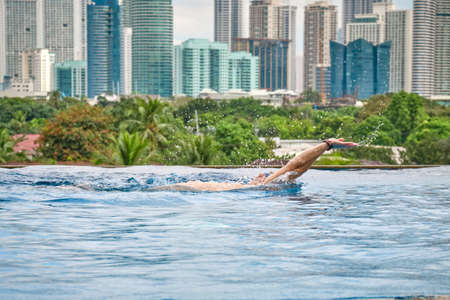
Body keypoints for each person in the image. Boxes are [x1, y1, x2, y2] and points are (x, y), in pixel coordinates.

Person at [159, 138, 358, 192]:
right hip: (190, 188)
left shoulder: (261, 186)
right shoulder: (259, 186)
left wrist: (326, 147)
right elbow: (294, 167)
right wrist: (326, 145)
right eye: (263, 175)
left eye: (265, 175)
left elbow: (297, 169)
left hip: (191, 189)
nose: (264, 175)